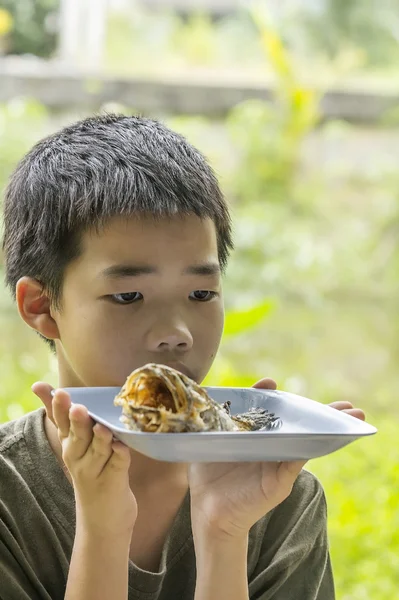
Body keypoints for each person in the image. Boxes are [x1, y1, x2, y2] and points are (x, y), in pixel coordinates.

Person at [0, 114, 365, 600]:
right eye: (129, 296)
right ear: (42, 307)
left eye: (200, 293)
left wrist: (223, 533)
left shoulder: (277, 497)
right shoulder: (11, 497)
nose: (176, 334)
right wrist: (103, 532)